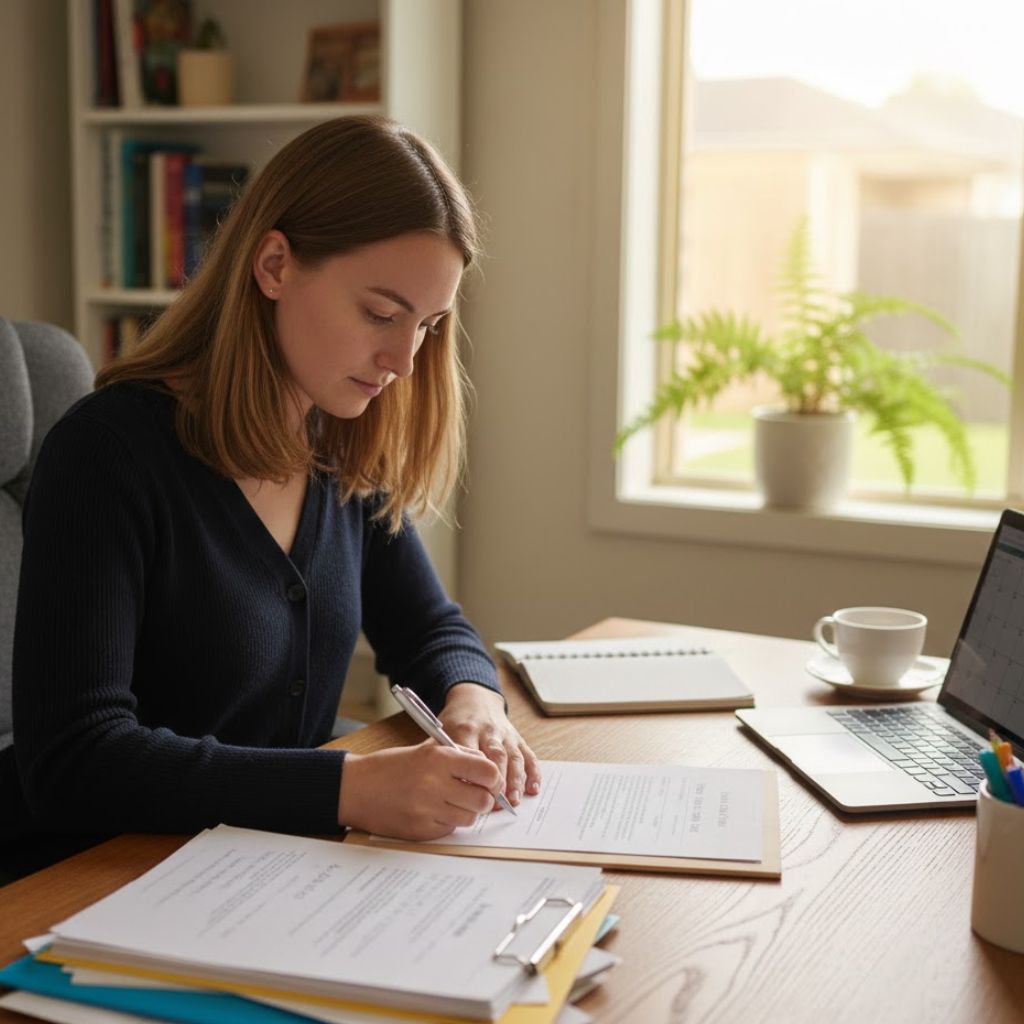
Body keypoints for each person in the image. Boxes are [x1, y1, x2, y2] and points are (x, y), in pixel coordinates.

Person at [3, 115, 540, 874]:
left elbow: (429, 628)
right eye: (381, 315)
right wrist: (346, 789)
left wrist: (474, 702)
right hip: (90, 879)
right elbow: (75, 762)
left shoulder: (337, 449)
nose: (403, 360)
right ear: (275, 264)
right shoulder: (109, 453)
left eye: (426, 326)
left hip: (261, 871)